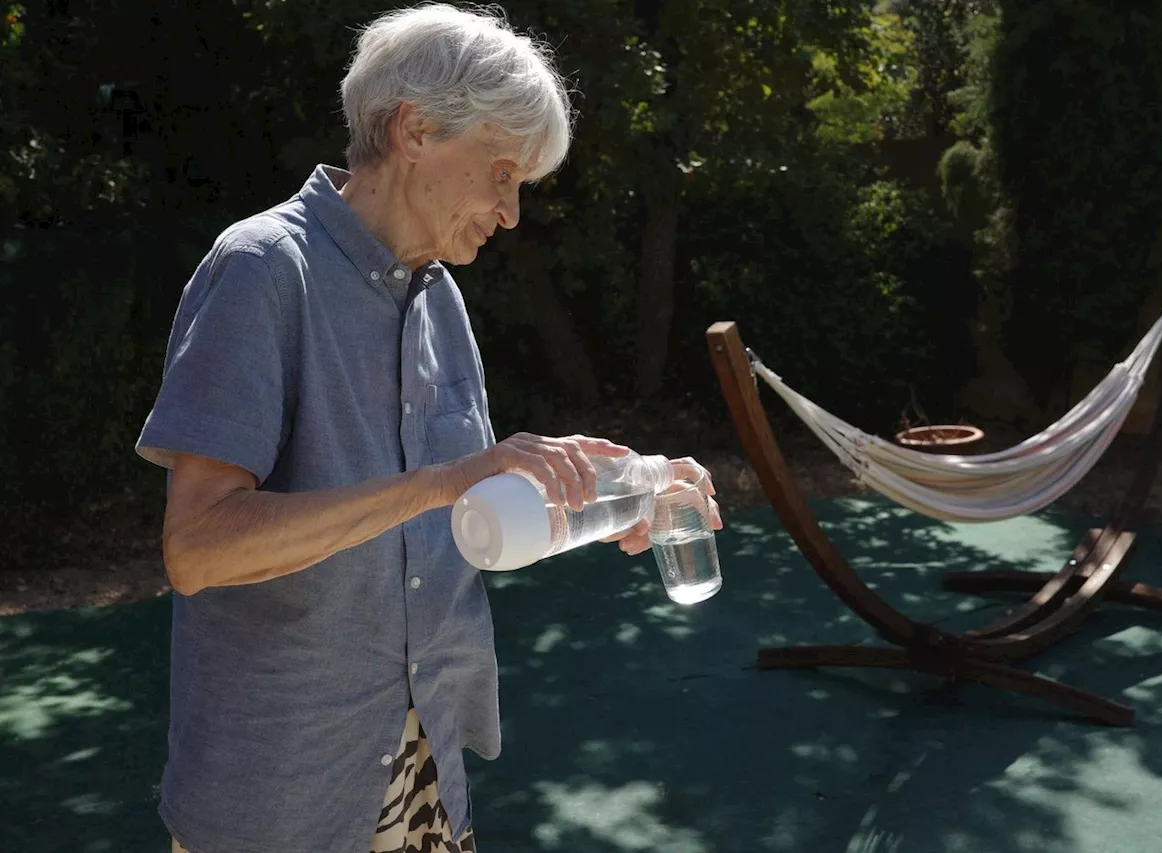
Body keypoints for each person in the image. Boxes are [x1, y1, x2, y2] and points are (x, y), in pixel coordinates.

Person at [134, 4, 722, 852]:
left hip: (424, 774)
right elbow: (197, 548)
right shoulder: (262, 269)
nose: (511, 212)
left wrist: (615, 500)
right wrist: (443, 482)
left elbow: (455, 528)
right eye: (503, 173)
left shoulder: (438, 297)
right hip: (282, 800)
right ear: (414, 131)